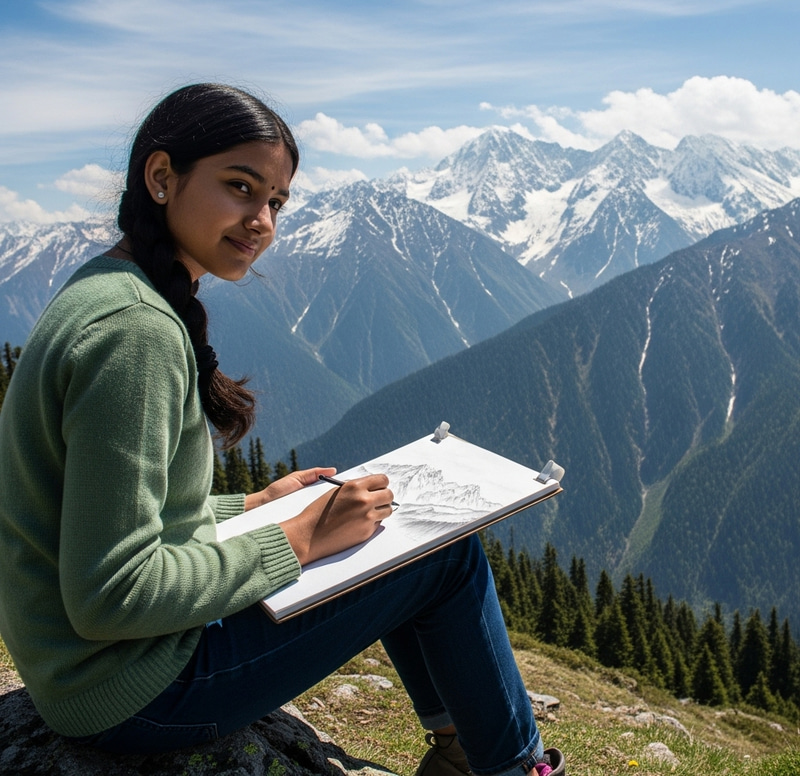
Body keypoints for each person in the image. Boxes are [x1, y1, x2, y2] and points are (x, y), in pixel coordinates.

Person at [0, 84, 565, 776]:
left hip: (89, 672)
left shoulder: (106, 287)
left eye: (276, 202)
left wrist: (256, 508)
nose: (262, 220)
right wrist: (299, 538)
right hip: (130, 694)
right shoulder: (135, 334)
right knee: (443, 556)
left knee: (408, 542)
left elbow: (104, 511)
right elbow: (112, 594)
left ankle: (462, 752)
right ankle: (507, 767)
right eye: (241, 188)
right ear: (161, 176)